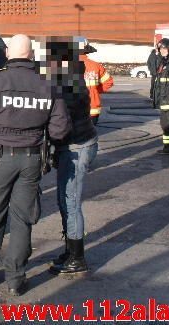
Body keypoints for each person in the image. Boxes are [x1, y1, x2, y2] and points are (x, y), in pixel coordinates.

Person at [0, 34, 71, 296]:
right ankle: (15, 280)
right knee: (22, 220)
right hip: (32, 158)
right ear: (31, 55)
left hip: (0, 157)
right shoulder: (48, 85)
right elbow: (60, 130)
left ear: (8, 54)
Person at [48, 39, 98, 276]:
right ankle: (70, 250)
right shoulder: (68, 79)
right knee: (63, 200)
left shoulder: (69, 84)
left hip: (77, 147)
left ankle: (77, 258)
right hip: (71, 146)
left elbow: (60, 118)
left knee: (70, 201)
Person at [77, 38, 114, 124]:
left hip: (71, 110)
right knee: (90, 135)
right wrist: (95, 91)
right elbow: (109, 82)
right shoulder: (96, 66)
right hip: (92, 109)